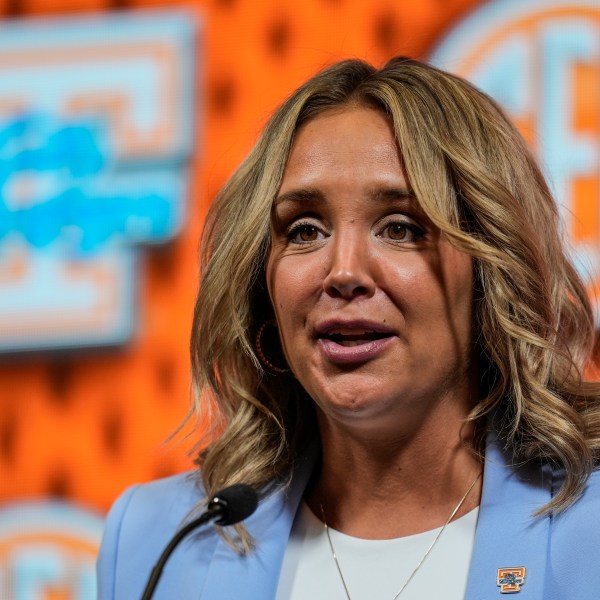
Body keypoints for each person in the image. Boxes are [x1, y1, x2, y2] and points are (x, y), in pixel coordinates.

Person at [97, 57, 600, 600]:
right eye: (305, 230)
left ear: (493, 271)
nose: (343, 272)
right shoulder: (157, 543)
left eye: (401, 228)